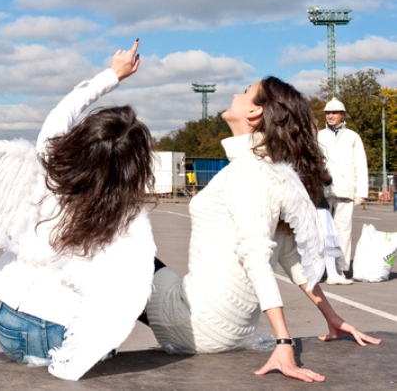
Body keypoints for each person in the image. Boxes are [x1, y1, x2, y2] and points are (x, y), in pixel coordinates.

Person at [0, 40, 157, 380]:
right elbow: (126, 292)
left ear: (81, 139)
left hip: (11, 325)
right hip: (67, 332)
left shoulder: (45, 163)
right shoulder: (126, 220)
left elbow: (63, 110)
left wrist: (113, 74)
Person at [143, 77, 380, 383]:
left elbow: (257, 256)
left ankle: (86, 343)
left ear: (254, 113)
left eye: (244, 92)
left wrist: (284, 343)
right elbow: (291, 256)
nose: (234, 94)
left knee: (109, 246)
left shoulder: (249, 172)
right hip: (235, 332)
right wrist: (333, 318)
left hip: (194, 325)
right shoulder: (273, 172)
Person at [317, 97, 368, 279]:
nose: (330, 116)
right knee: (322, 232)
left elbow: (360, 165)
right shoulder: (319, 136)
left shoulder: (353, 137)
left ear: (342, 115)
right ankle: (321, 267)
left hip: (345, 190)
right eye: (328, 113)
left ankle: (340, 268)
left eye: (334, 113)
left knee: (343, 232)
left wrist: (361, 192)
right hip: (322, 192)